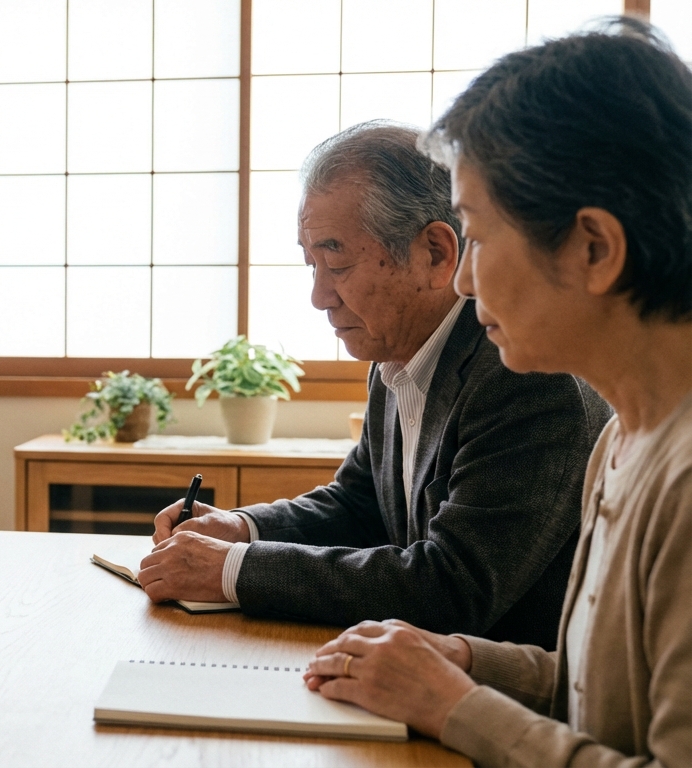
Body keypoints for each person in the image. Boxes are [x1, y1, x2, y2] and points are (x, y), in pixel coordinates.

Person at [303, 20, 692, 765]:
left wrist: (451, 705)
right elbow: (592, 692)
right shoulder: (626, 438)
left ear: (594, 248)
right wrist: (461, 659)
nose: (462, 279)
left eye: (476, 236)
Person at [139, 122, 610, 648]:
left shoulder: (526, 377)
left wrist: (233, 570)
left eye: (336, 263)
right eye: (310, 263)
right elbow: (359, 506)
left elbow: (451, 587)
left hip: (507, 696)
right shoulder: (398, 348)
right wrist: (241, 529)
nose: (319, 296)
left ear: (435, 253)